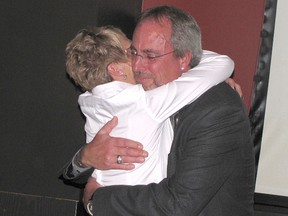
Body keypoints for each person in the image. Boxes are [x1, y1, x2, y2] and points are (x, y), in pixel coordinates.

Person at [63, 6, 255, 216]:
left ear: (183, 59)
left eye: (150, 55)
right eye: (133, 52)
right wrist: (85, 158)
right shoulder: (141, 95)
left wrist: (96, 201)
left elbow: (178, 204)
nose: (137, 65)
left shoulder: (217, 110)